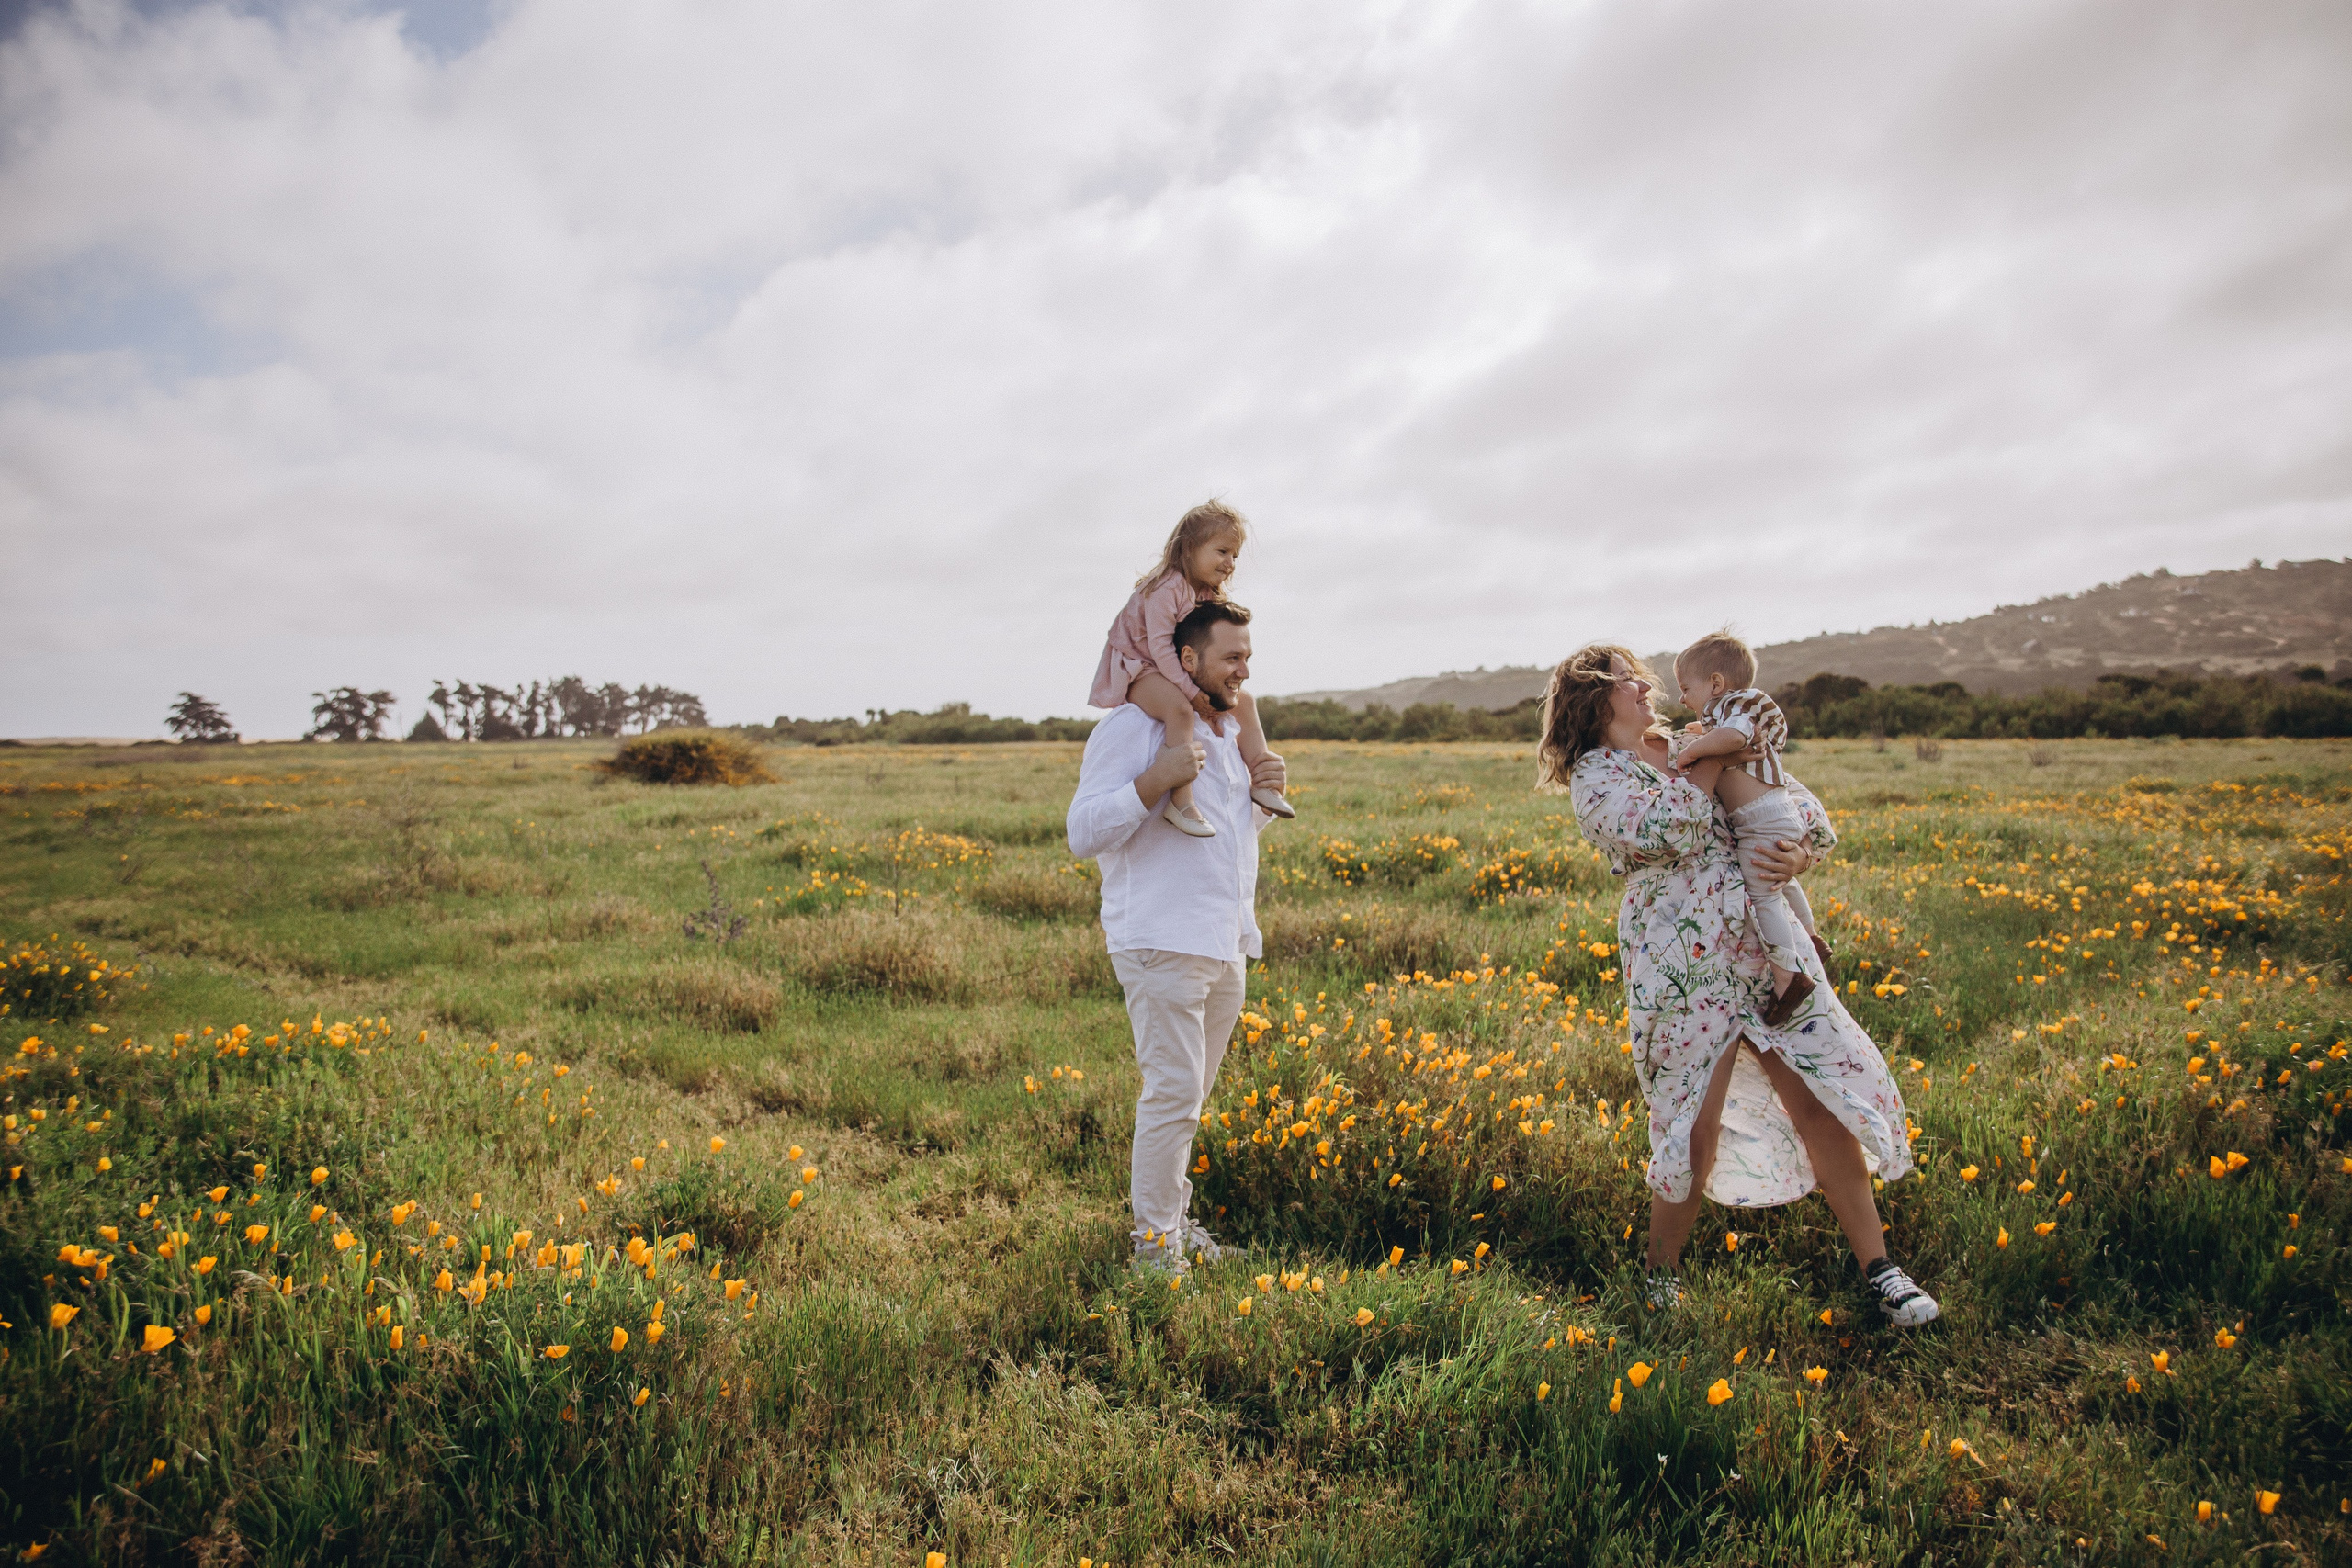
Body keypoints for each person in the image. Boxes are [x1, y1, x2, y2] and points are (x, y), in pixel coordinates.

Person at [1541, 643, 1940, 1327]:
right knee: (1691, 1127)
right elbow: (1669, 828)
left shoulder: (1697, 739)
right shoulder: (1599, 775)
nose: (1645, 686)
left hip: (1767, 951)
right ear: (1593, 698)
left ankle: (1881, 1270)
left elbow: (1794, 801)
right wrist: (1715, 757)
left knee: (1821, 1100)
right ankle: (1660, 1280)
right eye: (1626, 679)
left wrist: (1799, 850)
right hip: (1682, 966)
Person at [1068, 598, 1288, 1273]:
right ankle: (1155, 1250)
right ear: (1187, 658)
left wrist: (1262, 794)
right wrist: (1152, 782)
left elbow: (1226, 841)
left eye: (1248, 656)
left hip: (1223, 943)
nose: (1243, 670)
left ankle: (1173, 1225)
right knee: (1171, 1096)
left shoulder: (1227, 734)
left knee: (1187, 1101)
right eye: (1231, 657)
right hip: (1161, 939)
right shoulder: (1132, 727)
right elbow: (1083, 831)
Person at [1088, 500, 1294, 837]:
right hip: (1140, 666)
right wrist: (1191, 690)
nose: (1230, 563)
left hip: (1171, 665)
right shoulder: (1165, 588)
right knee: (1180, 711)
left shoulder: (1207, 595)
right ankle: (1181, 800)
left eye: (1235, 556)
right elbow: (1159, 648)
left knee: (1245, 701)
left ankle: (1264, 782)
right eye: (1222, 552)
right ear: (1189, 548)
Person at [1666, 630, 1824, 1024]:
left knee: (1764, 894)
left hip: (1760, 819)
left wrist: (1694, 750)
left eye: (1685, 688)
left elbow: (1734, 736)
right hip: (1775, 813)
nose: (1682, 699)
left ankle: (1788, 977)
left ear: (1715, 684)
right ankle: (1811, 938)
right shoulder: (1734, 710)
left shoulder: (1734, 707)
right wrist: (1702, 735)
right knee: (1781, 883)